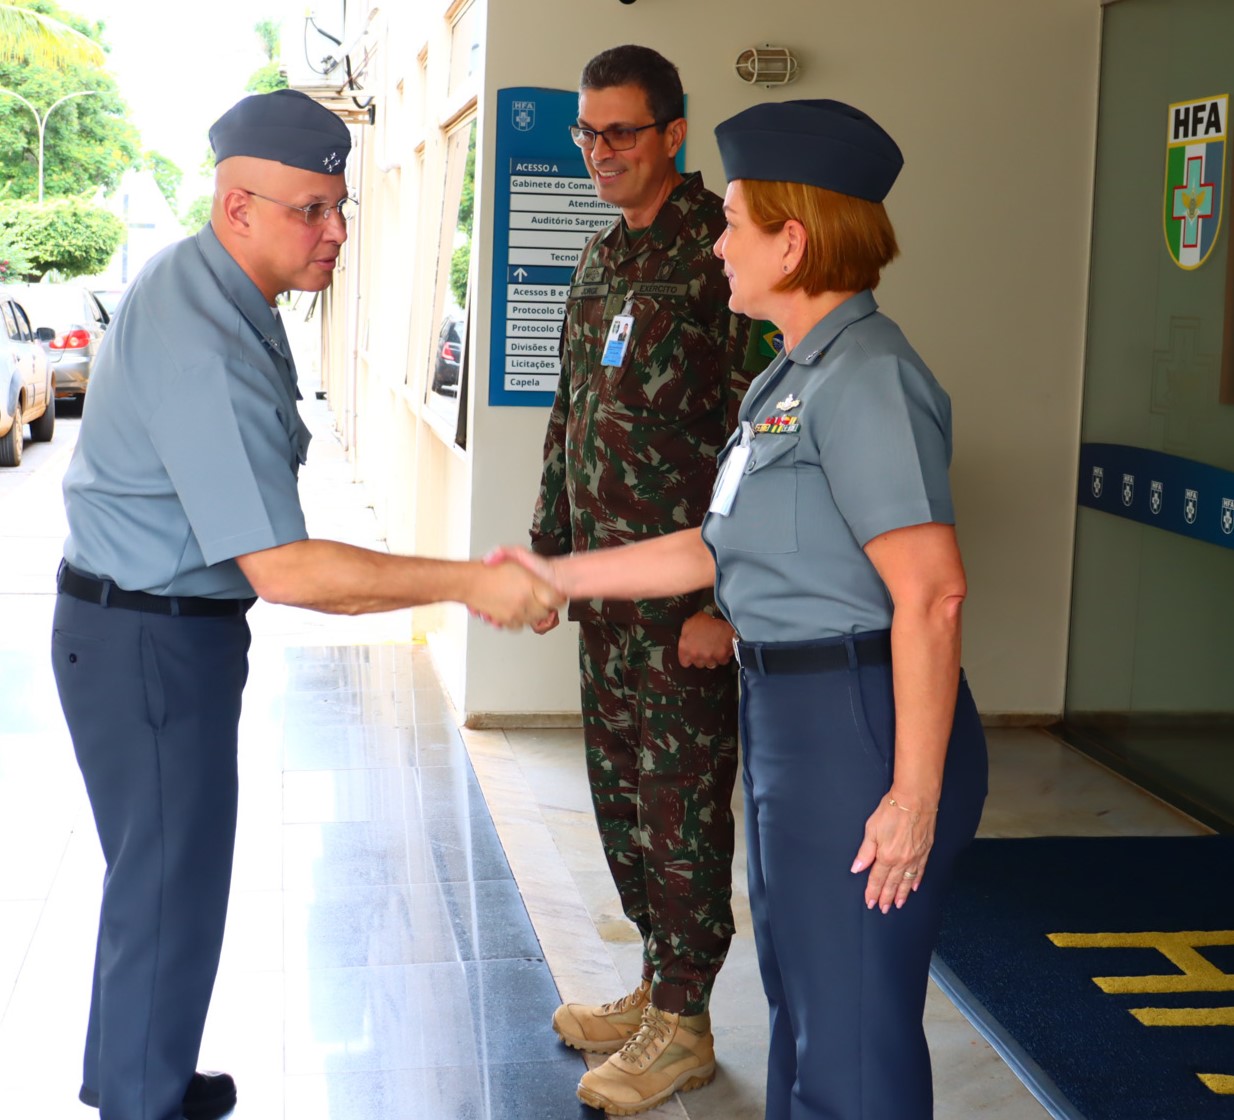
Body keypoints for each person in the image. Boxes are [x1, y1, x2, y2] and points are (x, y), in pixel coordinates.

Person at [50, 89, 558, 1120]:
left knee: (160, 879)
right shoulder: (203, 332)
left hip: (147, 633)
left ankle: (138, 1075)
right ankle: (141, 1101)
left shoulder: (221, 288)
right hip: (147, 644)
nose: (335, 231)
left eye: (341, 207)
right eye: (310, 210)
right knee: (168, 885)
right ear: (237, 207)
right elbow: (285, 569)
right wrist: (471, 581)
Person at [499, 98, 989, 1120]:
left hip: (856, 723)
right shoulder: (789, 377)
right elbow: (715, 544)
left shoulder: (868, 378)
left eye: (731, 224)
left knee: (851, 1032)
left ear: (792, 242)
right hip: (791, 720)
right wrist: (561, 575)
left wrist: (913, 795)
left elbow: (932, 591)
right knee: (803, 1008)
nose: (716, 244)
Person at [529, 44, 764, 1116]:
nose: (600, 151)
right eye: (587, 132)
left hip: (684, 607)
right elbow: (570, 414)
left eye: (620, 131)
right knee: (621, 796)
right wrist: (550, 553)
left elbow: (763, 436)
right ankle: (655, 985)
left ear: (673, 132)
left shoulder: (722, 251)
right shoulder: (600, 256)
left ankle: (686, 1021)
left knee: (681, 809)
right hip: (606, 597)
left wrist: (725, 598)